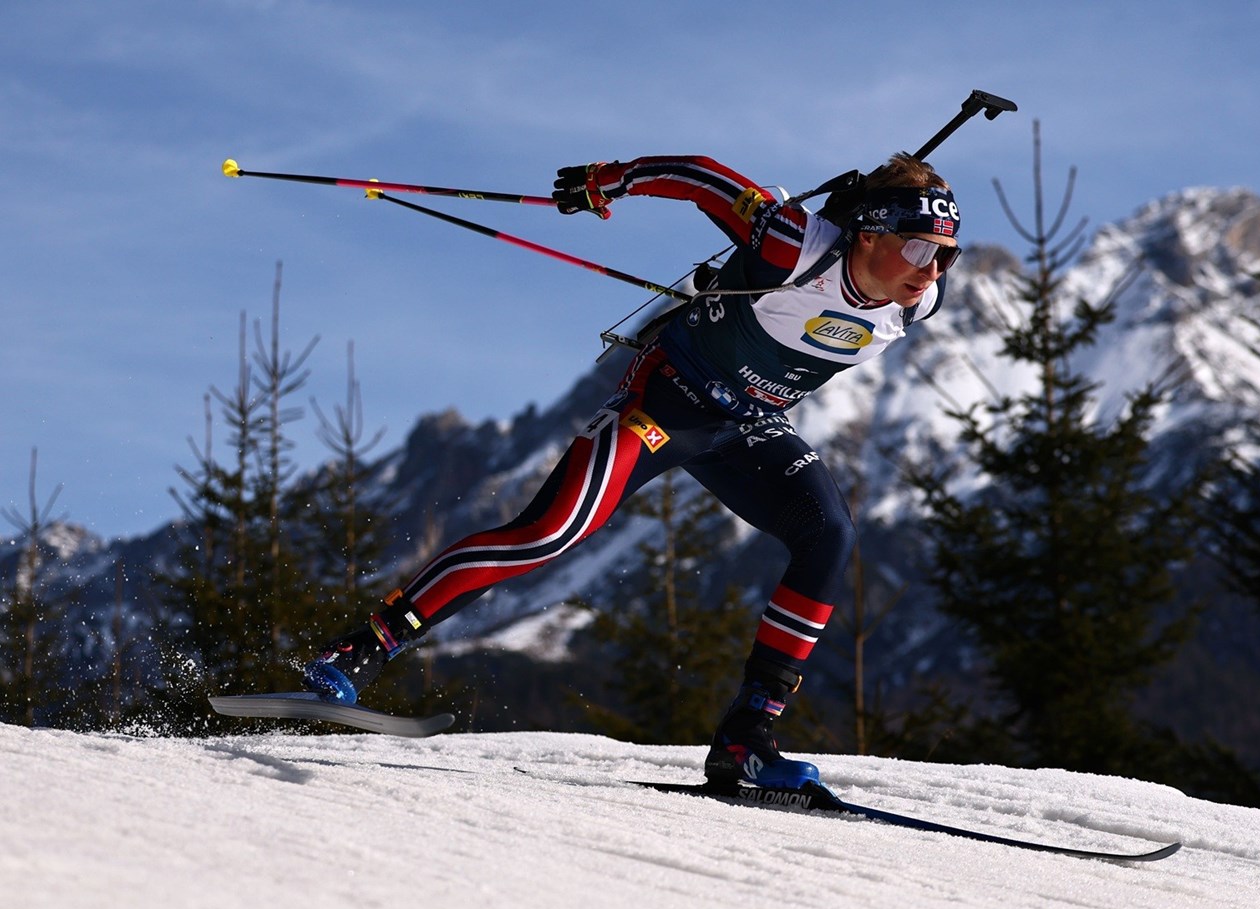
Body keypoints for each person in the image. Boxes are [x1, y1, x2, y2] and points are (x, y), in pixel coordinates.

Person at [303, 152, 962, 788]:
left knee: (830, 536)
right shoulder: (794, 244)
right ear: (868, 233)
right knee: (550, 532)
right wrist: (608, 181)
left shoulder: (919, 300)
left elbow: (907, 271)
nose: (930, 270)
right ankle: (359, 649)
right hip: (668, 402)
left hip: (750, 425)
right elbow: (700, 176)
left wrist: (914, 246)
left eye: (945, 255)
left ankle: (747, 738)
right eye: (917, 248)